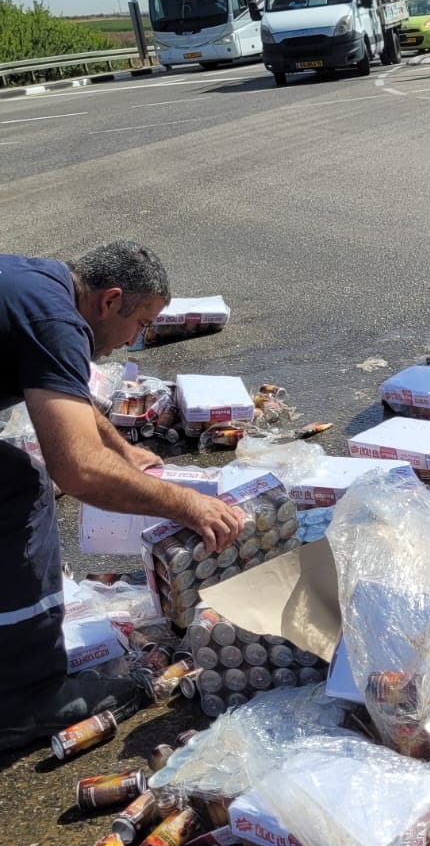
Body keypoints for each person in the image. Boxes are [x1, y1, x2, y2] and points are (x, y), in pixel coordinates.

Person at [0, 242, 246, 752]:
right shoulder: (56, 321)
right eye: (140, 324)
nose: (136, 342)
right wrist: (186, 504)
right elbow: (80, 469)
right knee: (19, 488)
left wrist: (122, 449)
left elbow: (59, 388)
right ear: (110, 301)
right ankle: (26, 697)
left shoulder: (40, 285)